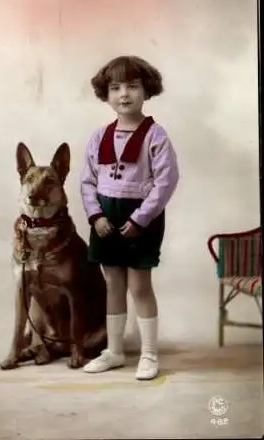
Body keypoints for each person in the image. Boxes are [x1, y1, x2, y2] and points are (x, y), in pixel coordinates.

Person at [80, 55, 179, 380]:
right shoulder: (98, 136)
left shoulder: (156, 136)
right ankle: (115, 351)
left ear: (146, 90)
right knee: (114, 285)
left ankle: (149, 354)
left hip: (140, 220)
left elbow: (166, 182)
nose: (124, 94)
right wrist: (95, 216)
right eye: (115, 87)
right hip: (106, 219)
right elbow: (87, 181)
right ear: (105, 94)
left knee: (139, 286)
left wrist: (140, 220)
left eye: (133, 86)